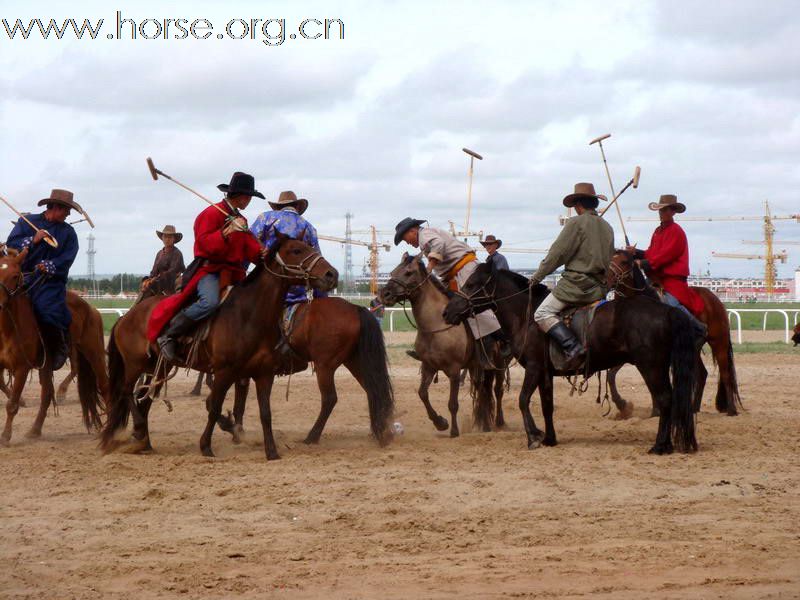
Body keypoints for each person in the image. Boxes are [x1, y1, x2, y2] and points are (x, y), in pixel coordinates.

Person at [148, 172, 265, 361]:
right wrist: (225, 233)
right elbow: (203, 245)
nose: (250, 200)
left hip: (235, 273)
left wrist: (261, 254)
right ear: (242, 196)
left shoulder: (240, 220)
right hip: (210, 270)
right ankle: (169, 334)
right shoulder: (211, 214)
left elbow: (249, 248)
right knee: (209, 302)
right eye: (249, 197)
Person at [394, 217, 510, 367]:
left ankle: (503, 340)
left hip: (465, 270)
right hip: (453, 276)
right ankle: (429, 347)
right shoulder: (424, 240)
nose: (407, 242)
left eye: (405, 238)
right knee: (441, 307)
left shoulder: (424, 235)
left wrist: (430, 267)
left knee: (474, 306)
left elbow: (438, 244)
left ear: (412, 230)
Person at [530, 183, 615, 369]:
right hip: (598, 289)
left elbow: (557, 255)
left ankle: (573, 347)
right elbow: (610, 260)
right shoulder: (607, 227)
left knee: (542, 313)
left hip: (576, 286)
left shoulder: (576, 223)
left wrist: (536, 277)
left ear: (578, 205)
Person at [5, 189, 81, 370]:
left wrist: (50, 265)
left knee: (46, 309)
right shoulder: (27, 223)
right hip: (23, 277)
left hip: (49, 281)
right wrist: (33, 239)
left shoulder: (69, 233)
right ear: (55, 207)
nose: (68, 214)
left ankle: (57, 347)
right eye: (66, 210)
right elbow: (11, 245)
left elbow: (68, 257)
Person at [626, 194, 706, 338]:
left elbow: (666, 256)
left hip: (672, 281)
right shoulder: (657, 231)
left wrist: (642, 263)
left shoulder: (677, 231)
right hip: (656, 279)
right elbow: (652, 253)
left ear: (673, 211)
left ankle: (698, 328)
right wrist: (636, 253)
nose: (662, 213)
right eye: (660, 210)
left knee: (671, 305)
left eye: (665, 210)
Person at [250, 191, 327, 306]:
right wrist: (321, 296)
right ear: (297, 207)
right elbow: (317, 261)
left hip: (267, 288)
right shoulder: (309, 227)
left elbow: (248, 241)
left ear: (279, 207)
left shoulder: (265, 218)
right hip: (298, 292)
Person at [141, 225, 185, 297]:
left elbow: (172, 271)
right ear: (162, 238)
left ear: (174, 239)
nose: (167, 239)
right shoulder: (159, 253)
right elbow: (154, 269)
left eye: (170, 237)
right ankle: (135, 306)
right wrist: (149, 279)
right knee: (144, 287)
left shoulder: (177, 253)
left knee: (179, 291)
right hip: (159, 280)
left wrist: (157, 278)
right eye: (165, 237)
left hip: (172, 280)